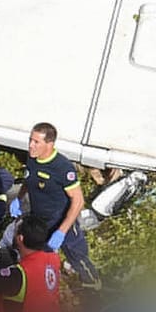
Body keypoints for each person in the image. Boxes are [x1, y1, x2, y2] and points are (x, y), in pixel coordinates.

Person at [20, 122, 98, 284]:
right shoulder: (32, 158)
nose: (30, 145)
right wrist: (19, 199)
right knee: (36, 260)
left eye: (36, 142)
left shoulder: (62, 168)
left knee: (79, 259)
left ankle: (94, 288)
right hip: (40, 224)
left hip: (63, 224)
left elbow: (78, 200)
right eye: (30, 140)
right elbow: (29, 179)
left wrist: (62, 231)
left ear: (49, 144)